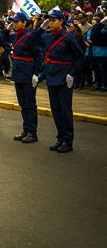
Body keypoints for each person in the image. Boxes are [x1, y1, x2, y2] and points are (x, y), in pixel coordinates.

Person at [39, 8, 85, 153]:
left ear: (61, 21)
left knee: (65, 110)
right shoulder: (48, 36)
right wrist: (40, 27)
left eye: (53, 20)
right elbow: (34, 40)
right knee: (56, 109)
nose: (50, 23)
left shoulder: (68, 38)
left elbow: (80, 58)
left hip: (64, 77)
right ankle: (60, 137)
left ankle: (68, 140)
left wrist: (72, 73)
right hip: (51, 76)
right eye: (49, 20)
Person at [10, 12, 44, 143]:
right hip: (18, 73)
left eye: (17, 21)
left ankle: (32, 132)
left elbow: (39, 55)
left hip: (28, 73)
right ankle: (26, 129)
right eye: (13, 21)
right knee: (22, 103)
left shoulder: (30, 36)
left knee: (30, 103)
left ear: (24, 23)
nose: (14, 23)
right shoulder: (15, 36)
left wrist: (36, 73)